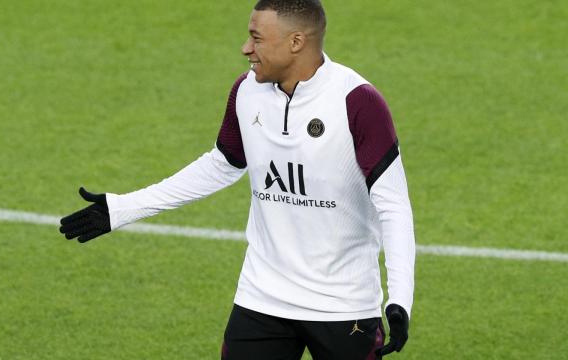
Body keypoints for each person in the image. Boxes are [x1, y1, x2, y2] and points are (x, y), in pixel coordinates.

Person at [59, 0, 415, 359]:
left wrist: (400, 299)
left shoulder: (357, 103)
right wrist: (122, 208)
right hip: (262, 297)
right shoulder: (247, 92)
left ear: (296, 42)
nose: (246, 48)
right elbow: (221, 164)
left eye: (256, 38)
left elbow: (394, 206)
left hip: (344, 307)